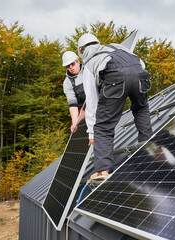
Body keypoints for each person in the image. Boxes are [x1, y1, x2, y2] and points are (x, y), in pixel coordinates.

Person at [77, 33, 153, 185]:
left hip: (116, 78)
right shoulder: (116, 49)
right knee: (141, 109)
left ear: (81, 51)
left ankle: (102, 171)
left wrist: (92, 133)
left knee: (103, 126)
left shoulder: (90, 62)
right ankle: (149, 150)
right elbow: (141, 64)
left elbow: (92, 102)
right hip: (140, 73)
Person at [62, 51, 98, 143]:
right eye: (68, 66)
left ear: (78, 62)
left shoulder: (89, 71)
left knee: (98, 133)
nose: (71, 67)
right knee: (75, 133)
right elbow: (72, 104)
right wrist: (75, 122)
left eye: (72, 64)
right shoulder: (67, 82)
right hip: (82, 110)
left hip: (97, 104)